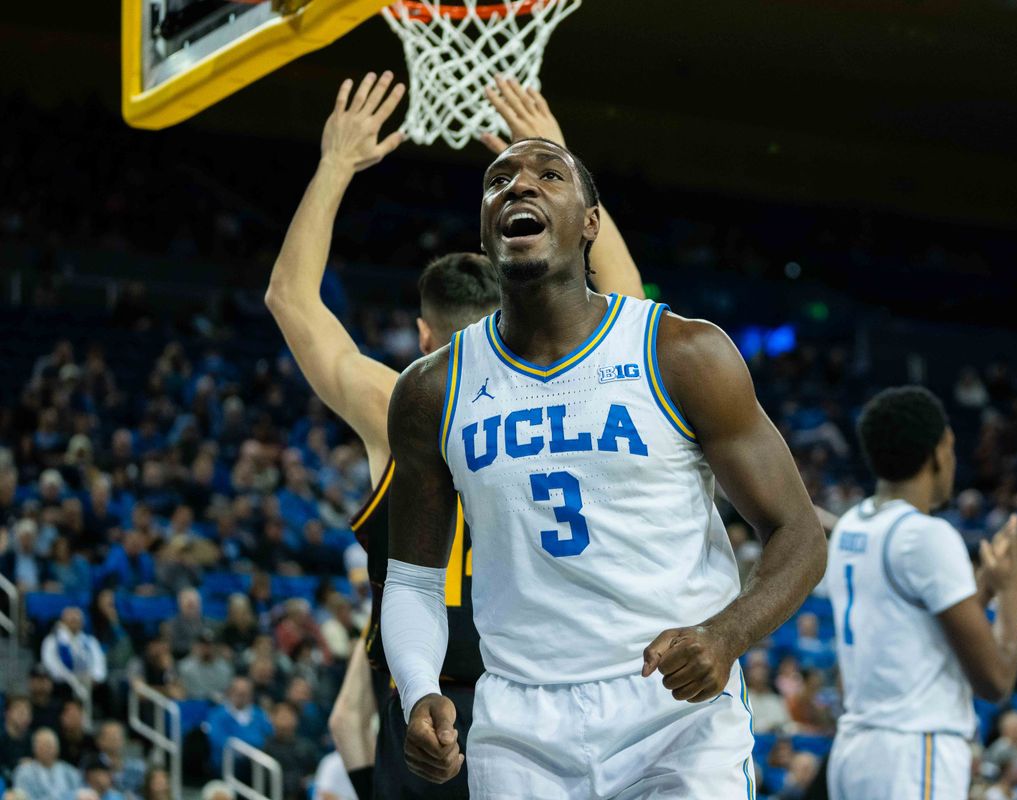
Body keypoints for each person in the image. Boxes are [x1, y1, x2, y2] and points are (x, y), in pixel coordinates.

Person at [380, 122, 829, 794]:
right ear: (484, 232)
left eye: (547, 175)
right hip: (519, 724)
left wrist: (727, 634)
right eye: (498, 180)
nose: (519, 185)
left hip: (674, 713)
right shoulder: (430, 389)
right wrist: (419, 691)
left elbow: (799, 533)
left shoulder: (681, 353)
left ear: (590, 224)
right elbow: (413, 580)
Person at [267, 73, 643, 800]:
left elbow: (289, 297)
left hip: (425, 707)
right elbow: (628, 306)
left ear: (420, 335)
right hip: (546, 692)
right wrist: (566, 176)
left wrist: (337, 163)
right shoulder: (568, 388)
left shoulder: (399, 401)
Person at [825, 386, 1017, 800]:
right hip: (914, 752)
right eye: (951, 447)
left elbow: (925, 626)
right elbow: (995, 682)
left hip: (856, 752)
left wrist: (988, 583)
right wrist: (1014, 591)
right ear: (938, 452)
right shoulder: (927, 536)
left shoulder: (852, 524)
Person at [39, 608, 106, 690]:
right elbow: (50, 664)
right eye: (71, 620)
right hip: (63, 683)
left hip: (88, 681)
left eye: (76, 620)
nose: (74, 623)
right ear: (63, 622)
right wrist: (71, 680)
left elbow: (99, 661)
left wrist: (95, 677)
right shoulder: (52, 641)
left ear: (82, 623)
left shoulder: (90, 641)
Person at [12, 729, 80, 800]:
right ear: (34, 748)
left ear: (57, 748)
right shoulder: (23, 772)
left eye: (49, 745)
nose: (46, 749)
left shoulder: (70, 772)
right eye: (42, 745)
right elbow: (22, 797)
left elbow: (80, 794)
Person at [0, 696, 33, 786]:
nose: (24, 715)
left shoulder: (33, 740)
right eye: (20, 711)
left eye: (27, 711)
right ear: (7, 713)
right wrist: (17, 766)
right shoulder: (2, 740)